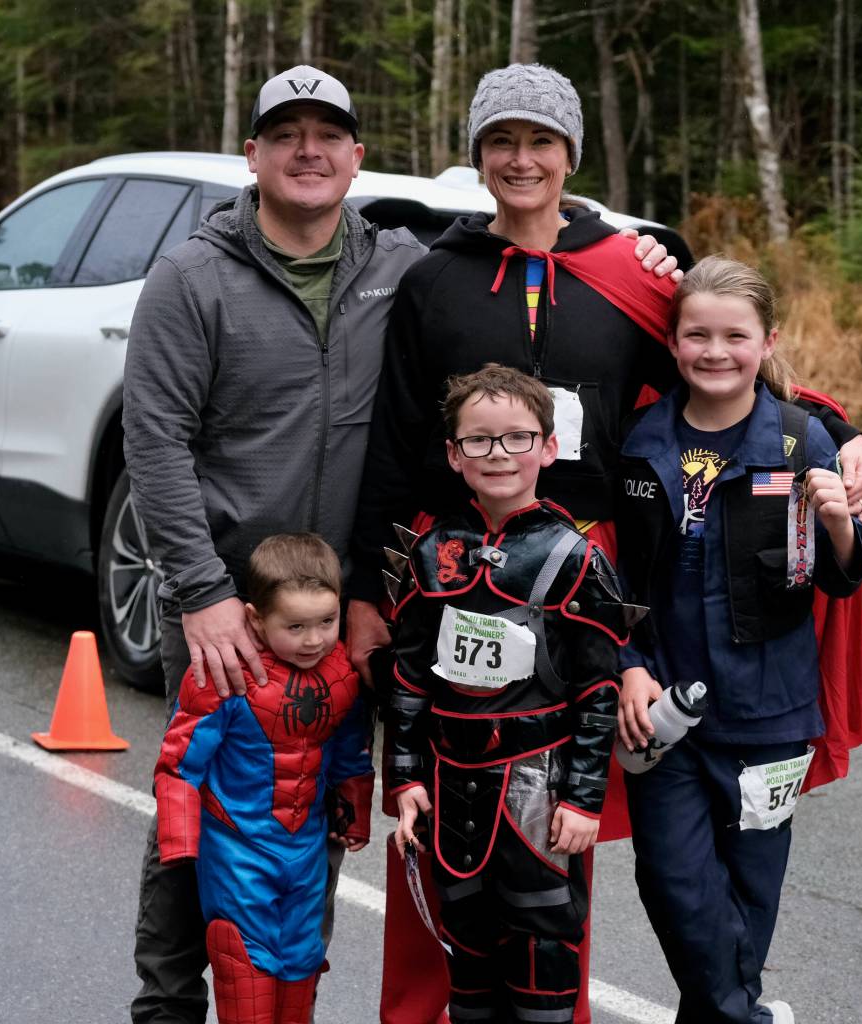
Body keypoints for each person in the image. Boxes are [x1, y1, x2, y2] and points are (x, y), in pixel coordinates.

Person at [344, 62, 862, 1024]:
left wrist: (843, 428)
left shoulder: (633, 268)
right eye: (499, 142)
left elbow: (726, 373)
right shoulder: (433, 282)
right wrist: (364, 594)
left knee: (557, 811)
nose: (520, 159)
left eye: (540, 142)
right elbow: (393, 443)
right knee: (448, 799)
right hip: (462, 579)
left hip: (590, 582)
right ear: (475, 157)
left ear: (570, 154)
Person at [122, 65, 426, 1024]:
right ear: (250, 156)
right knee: (201, 819)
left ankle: (283, 1003)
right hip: (229, 607)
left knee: (309, 820)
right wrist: (203, 593)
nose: (308, 149)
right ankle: (168, 1007)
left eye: (326, 133)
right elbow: (154, 439)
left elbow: (520, 272)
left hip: (338, 615)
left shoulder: (398, 269)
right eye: (285, 133)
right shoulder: (192, 278)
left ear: (355, 156)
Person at [615, 256, 862, 1024]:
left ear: (767, 342)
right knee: (673, 884)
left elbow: (839, 582)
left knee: (749, 902)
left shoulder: (801, 444)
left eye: (735, 335)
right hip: (662, 717)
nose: (715, 351)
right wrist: (628, 667)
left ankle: (734, 1012)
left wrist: (836, 522)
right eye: (697, 334)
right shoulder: (635, 445)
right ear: (671, 341)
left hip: (769, 718)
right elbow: (616, 582)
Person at [388, 364, 625, 1024]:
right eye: (479, 440)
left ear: (548, 448)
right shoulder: (432, 552)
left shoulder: (572, 557)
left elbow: (598, 690)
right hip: (451, 785)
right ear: (453, 454)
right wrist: (405, 778)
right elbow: (408, 678)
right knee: (467, 957)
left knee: (543, 953)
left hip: (537, 791)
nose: (498, 455)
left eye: (516, 438)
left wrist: (582, 798)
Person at [154, 533, 373, 1024]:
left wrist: (354, 808)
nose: (313, 639)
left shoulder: (340, 675)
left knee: (300, 966)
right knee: (244, 972)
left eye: (326, 622)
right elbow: (179, 764)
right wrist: (180, 843)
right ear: (255, 618)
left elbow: (347, 748)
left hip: (305, 850)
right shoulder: (224, 674)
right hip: (238, 851)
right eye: (295, 625)